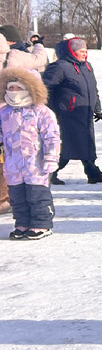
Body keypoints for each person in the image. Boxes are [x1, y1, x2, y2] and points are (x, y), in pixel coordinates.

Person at [43, 37, 102, 184]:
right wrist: (49, 108)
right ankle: (50, 172)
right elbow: (44, 88)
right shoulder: (60, 67)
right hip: (66, 114)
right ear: (72, 52)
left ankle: (92, 172)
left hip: (84, 112)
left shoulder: (86, 66)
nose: (85, 54)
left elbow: (93, 89)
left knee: (87, 142)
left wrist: (97, 108)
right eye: (81, 51)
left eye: (86, 51)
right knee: (67, 146)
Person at [1, 67, 61, 240]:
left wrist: (51, 157)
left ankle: (41, 224)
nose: (13, 92)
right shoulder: (5, 112)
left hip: (35, 162)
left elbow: (52, 136)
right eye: (10, 88)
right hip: (12, 163)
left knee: (37, 195)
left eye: (17, 88)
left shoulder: (41, 112)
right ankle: (22, 223)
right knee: (17, 196)